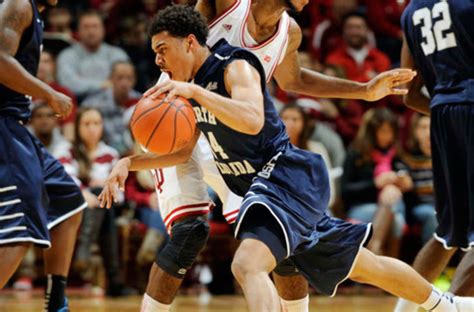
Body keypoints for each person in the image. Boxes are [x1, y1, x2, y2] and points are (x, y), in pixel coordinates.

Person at [99, 5, 474, 312]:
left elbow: (254, 115)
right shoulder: (218, 20)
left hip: (281, 174)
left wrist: (362, 90)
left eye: (162, 50)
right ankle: (449, 306)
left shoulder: (237, 64)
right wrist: (128, 163)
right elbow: (182, 149)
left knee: (247, 263)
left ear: (190, 43)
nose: (157, 61)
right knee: (360, 265)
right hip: (260, 180)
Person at [0, 1, 86, 311]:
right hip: (3, 127)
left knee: (69, 202)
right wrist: (48, 93)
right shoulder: (18, 4)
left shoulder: (32, 11)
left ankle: (55, 305)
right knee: (21, 231)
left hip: (16, 128)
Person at [395, 1, 474, 310]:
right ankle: (454, 307)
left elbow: (410, 93)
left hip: (441, 115)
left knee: (449, 231)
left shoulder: (410, 11)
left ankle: (404, 309)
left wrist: (447, 111)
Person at [56, 107, 134, 297]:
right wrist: (85, 194)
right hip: (70, 208)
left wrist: (99, 192)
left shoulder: (111, 154)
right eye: (86, 123)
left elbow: (120, 194)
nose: (92, 128)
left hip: (101, 206)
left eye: (96, 123)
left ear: (102, 126)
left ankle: (85, 248)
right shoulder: (65, 150)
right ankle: (114, 281)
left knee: (102, 201)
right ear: (77, 126)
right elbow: (65, 184)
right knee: (101, 199)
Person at [342, 108, 411, 258]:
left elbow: (408, 183)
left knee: (391, 197)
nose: (388, 136)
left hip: (396, 208)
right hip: (362, 207)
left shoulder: (397, 155)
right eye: (383, 131)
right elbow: (346, 191)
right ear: (372, 132)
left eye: (391, 131)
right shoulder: (356, 153)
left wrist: (405, 184)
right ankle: (386, 267)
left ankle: (374, 252)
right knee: (394, 215)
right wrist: (376, 183)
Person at [56, 10, 129, 98]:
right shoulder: (66, 56)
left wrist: (82, 82)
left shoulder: (117, 54)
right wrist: (103, 84)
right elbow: (68, 84)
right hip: (79, 105)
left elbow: (124, 83)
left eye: (95, 26)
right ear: (78, 31)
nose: (91, 32)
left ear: (103, 30)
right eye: (86, 27)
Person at [82, 61, 141, 156]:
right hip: (100, 154)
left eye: (129, 78)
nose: (124, 83)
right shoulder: (93, 103)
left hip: (133, 157)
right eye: (120, 78)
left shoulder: (141, 103)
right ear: (111, 79)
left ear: (135, 80)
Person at [402, 113, 436, 245]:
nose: (427, 132)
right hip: (420, 207)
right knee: (432, 214)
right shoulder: (408, 158)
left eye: (431, 126)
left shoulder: (447, 156)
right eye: (423, 127)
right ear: (415, 131)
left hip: (446, 207)